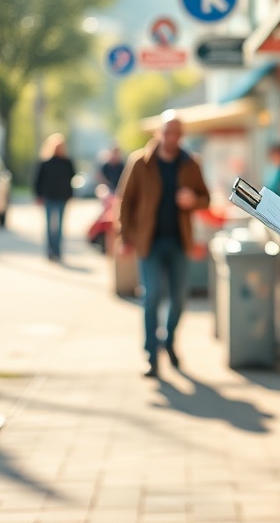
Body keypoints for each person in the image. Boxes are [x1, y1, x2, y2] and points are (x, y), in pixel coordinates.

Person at [116, 110, 211, 378]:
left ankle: (168, 342)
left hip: (180, 241)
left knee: (179, 299)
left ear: (181, 136)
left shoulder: (190, 164)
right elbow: (125, 201)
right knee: (152, 296)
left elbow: (206, 199)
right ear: (159, 133)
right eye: (167, 132)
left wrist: (193, 200)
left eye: (176, 133)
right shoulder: (141, 162)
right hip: (149, 242)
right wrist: (124, 237)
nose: (171, 137)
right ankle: (151, 356)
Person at [33, 133, 76, 262]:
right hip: (48, 197)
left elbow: (72, 179)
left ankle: (58, 251)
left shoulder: (67, 162)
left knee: (60, 227)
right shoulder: (45, 162)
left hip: (62, 197)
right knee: (49, 226)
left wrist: (70, 194)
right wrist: (38, 195)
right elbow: (38, 180)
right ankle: (50, 250)